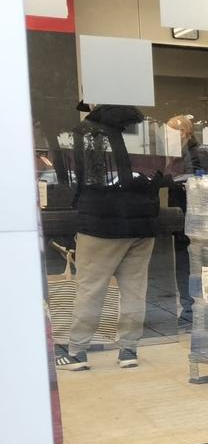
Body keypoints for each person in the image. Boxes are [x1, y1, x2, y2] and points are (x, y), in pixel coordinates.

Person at [55, 104, 162, 371]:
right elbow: (160, 174)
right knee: (135, 289)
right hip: (143, 223)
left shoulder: (85, 133)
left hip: (99, 222)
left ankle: (77, 352)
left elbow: (73, 178)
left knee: (90, 289)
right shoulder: (144, 131)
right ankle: (129, 350)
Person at [165, 114, 208, 328]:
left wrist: (171, 180)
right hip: (182, 218)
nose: (166, 138)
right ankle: (188, 311)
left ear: (183, 133)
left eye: (170, 133)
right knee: (184, 264)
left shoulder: (196, 153)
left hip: (192, 219)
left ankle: (192, 312)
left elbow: (199, 182)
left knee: (191, 265)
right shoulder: (178, 154)